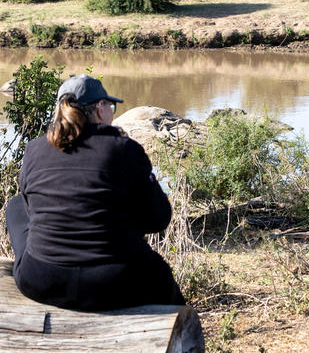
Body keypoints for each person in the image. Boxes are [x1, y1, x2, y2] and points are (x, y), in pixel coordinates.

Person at [4, 74, 185, 310]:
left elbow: (31, 208)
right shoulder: (124, 148)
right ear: (100, 108)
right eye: (110, 106)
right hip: (115, 282)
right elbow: (159, 219)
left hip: (41, 280)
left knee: (16, 205)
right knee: (159, 274)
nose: (112, 111)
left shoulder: (34, 149)